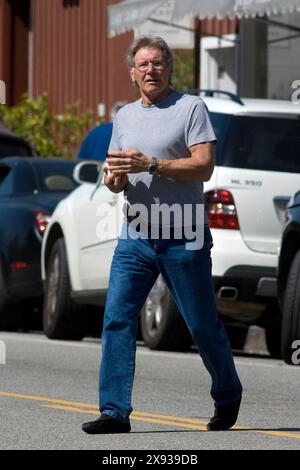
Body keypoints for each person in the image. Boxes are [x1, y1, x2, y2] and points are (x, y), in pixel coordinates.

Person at [82, 36, 242, 435]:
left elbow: (204, 166)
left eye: (157, 63)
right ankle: (115, 412)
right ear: (132, 73)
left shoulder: (190, 108)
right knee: (117, 319)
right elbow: (115, 175)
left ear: (169, 69)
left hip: (183, 236)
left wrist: (152, 164)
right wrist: (115, 179)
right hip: (135, 236)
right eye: (143, 65)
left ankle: (227, 394)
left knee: (201, 325)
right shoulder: (124, 116)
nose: (150, 70)